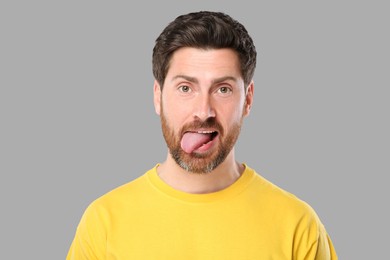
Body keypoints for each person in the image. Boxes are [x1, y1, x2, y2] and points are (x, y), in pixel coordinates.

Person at [66, 11, 337, 259]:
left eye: (223, 89)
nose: (203, 111)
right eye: (185, 88)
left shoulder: (298, 227)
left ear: (248, 100)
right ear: (158, 96)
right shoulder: (104, 223)